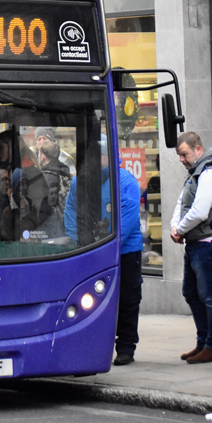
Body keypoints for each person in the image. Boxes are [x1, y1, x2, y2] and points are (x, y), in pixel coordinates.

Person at [63, 135, 142, 365]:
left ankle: (126, 346)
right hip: (90, 250)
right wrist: (78, 242)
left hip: (125, 251)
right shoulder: (79, 182)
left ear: (107, 156)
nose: (90, 161)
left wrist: (108, 245)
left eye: (96, 156)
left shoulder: (125, 181)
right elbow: (71, 213)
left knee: (127, 299)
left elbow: (127, 219)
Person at [169, 131, 212, 364]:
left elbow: (200, 211)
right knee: (191, 293)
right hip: (195, 244)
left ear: (198, 149)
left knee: (210, 296)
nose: (182, 160)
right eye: (180, 156)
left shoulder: (210, 173)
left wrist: (180, 229)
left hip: (209, 243)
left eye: (184, 154)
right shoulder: (196, 173)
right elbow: (181, 203)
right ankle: (203, 342)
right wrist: (175, 227)